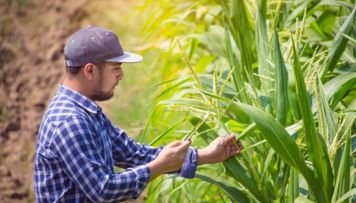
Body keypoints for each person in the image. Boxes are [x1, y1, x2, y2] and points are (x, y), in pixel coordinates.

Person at [33, 26, 243, 202]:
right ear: (89, 71)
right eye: (116, 68)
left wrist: (207, 155)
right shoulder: (70, 121)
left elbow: (133, 154)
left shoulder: (87, 111)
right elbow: (103, 189)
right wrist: (159, 166)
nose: (121, 76)